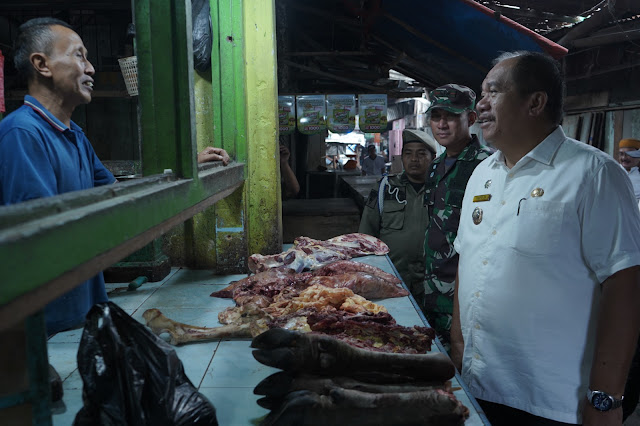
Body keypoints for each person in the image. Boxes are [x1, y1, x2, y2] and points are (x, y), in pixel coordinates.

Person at [451, 51, 640, 425]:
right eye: (481, 93)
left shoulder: (593, 174)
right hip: (477, 383)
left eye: (493, 92)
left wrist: (606, 399)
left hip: (551, 400)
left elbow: (626, 286)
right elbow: (467, 260)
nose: (481, 104)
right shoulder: (481, 175)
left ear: (535, 102)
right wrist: (458, 347)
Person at [0, 18, 116, 336]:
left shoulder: (74, 134)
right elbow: (40, 235)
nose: (90, 68)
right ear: (42, 64)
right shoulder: (22, 133)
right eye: (79, 55)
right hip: (39, 323)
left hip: (79, 311)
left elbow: (114, 196)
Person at [421, 84, 492, 352]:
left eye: (450, 116)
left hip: (463, 296)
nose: (441, 124)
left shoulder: (486, 166)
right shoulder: (436, 167)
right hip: (432, 289)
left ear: (470, 119)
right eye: (436, 116)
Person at [358, 128, 435, 300]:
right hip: (390, 280)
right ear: (402, 156)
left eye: (421, 154)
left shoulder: (441, 190)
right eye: (408, 153)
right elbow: (365, 235)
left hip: (433, 284)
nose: (414, 159)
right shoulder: (385, 188)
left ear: (433, 158)